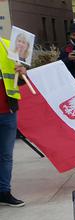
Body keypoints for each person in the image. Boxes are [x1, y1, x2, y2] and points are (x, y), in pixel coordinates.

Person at [0, 38, 26, 207]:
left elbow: (19, 80)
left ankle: (4, 192)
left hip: (8, 111)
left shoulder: (8, 46)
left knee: (6, 156)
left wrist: (23, 72)